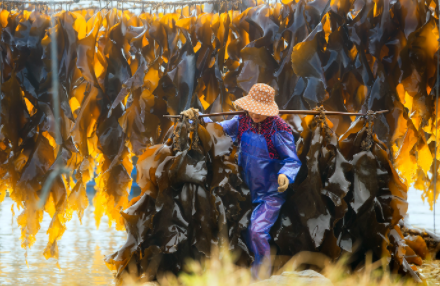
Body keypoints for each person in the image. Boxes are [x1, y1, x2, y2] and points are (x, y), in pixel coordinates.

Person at [181, 83, 302, 279]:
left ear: (269, 110)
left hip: (270, 194)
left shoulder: (279, 129)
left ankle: (261, 276)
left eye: (260, 111)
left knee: (257, 231)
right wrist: (197, 119)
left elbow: (292, 160)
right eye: (252, 109)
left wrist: (286, 175)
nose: (255, 114)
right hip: (243, 189)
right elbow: (216, 130)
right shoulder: (241, 121)